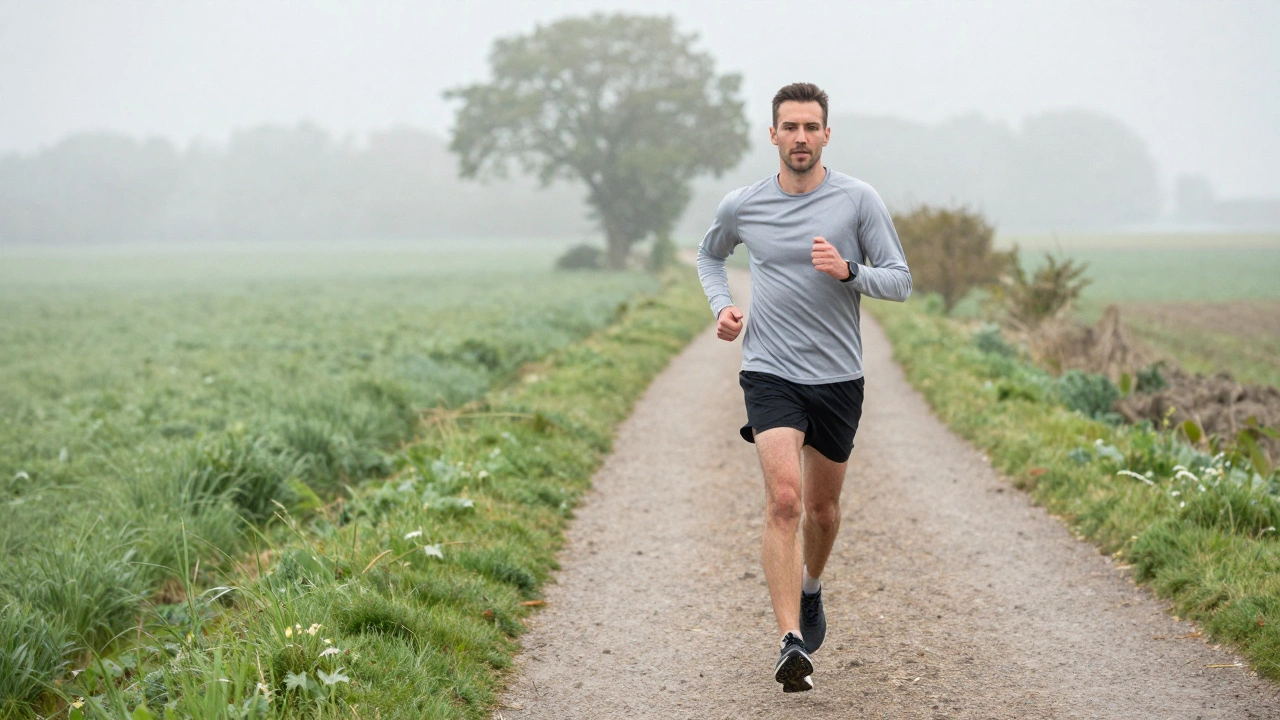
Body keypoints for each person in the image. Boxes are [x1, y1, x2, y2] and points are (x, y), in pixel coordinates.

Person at [696, 82, 912, 693]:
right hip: (769, 370)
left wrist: (849, 270)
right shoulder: (745, 205)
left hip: (839, 377)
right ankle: (791, 640)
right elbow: (709, 257)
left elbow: (901, 280)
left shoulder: (857, 200)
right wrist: (722, 308)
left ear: (825, 134)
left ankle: (811, 585)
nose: (799, 137)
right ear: (772, 135)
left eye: (810, 127)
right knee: (785, 501)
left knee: (821, 510)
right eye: (788, 127)